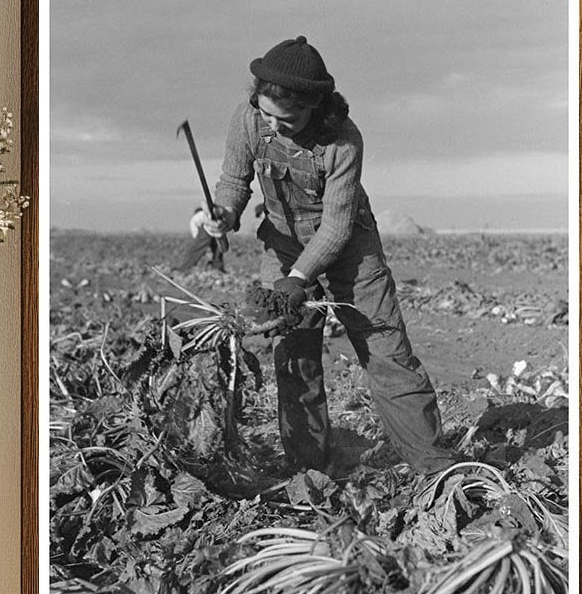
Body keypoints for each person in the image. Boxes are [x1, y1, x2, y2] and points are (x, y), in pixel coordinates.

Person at [192, 35, 453, 476]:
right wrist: (223, 213)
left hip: (352, 249)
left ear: (314, 107)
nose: (273, 126)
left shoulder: (343, 142)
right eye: (266, 114)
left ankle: (433, 469)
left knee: (387, 354)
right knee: (294, 359)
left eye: (287, 120)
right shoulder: (249, 118)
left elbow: (336, 227)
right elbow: (234, 181)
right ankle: (307, 471)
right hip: (282, 242)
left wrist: (298, 279)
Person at [177, 205, 226, 273]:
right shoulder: (202, 215)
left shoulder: (195, 219)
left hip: (207, 227)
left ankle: (186, 267)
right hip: (216, 225)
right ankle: (217, 267)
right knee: (217, 247)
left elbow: (196, 237)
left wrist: (202, 246)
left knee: (196, 249)